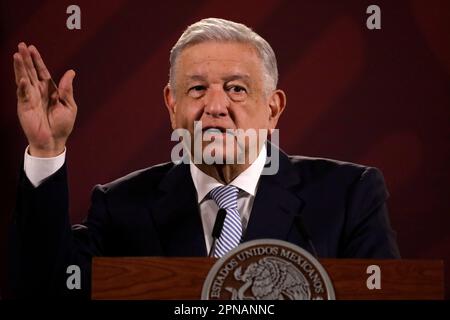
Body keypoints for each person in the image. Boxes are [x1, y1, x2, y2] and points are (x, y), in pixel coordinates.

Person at [10, 18, 400, 298]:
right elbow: (46, 287)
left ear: (273, 108)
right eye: (197, 89)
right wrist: (46, 150)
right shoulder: (121, 206)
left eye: (236, 89)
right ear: (171, 104)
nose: (215, 106)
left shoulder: (348, 195)